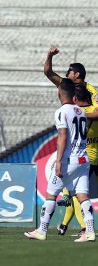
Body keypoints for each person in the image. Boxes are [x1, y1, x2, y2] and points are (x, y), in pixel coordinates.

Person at [24, 78, 95, 242]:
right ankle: (90, 232)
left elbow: (63, 136)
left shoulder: (61, 112)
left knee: (51, 194)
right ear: (74, 96)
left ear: (59, 93)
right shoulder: (81, 112)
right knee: (83, 196)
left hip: (69, 160)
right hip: (84, 159)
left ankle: (42, 231)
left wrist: (58, 161)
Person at [44, 45, 98, 235]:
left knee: (70, 193)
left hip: (89, 148)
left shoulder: (92, 90)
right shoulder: (67, 85)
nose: (66, 74)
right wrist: (49, 56)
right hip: (79, 151)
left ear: (76, 73)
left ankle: (46, 229)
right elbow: (48, 72)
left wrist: (77, 114)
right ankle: (84, 228)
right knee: (77, 193)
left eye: (68, 71)